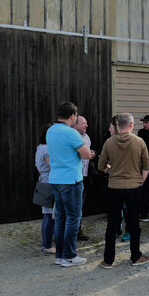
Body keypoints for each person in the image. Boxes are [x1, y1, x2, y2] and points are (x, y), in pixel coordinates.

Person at [97, 113, 149, 268]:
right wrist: (140, 181)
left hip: (114, 187)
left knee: (112, 224)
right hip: (134, 187)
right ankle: (135, 256)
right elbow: (146, 165)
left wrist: (111, 168)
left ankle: (108, 260)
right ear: (131, 125)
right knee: (134, 223)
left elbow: (101, 166)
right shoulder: (139, 141)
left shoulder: (109, 142)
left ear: (118, 125)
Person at [46, 101, 95, 267]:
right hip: (71, 180)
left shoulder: (51, 130)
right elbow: (86, 154)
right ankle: (70, 256)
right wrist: (87, 153)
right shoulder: (71, 133)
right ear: (73, 116)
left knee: (60, 218)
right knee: (73, 218)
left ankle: (60, 255)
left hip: (55, 179)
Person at [36, 124, 55, 254]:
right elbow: (53, 166)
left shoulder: (39, 148)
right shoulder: (47, 149)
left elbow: (38, 168)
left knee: (47, 215)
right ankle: (47, 245)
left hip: (43, 180)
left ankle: (46, 244)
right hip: (49, 182)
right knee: (50, 216)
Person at [72, 115, 91, 241]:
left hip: (85, 175)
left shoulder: (86, 137)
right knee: (73, 206)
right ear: (76, 124)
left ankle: (77, 230)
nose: (86, 125)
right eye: (84, 123)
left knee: (80, 205)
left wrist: (92, 153)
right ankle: (73, 232)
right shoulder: (72, 136)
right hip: (74, 177)